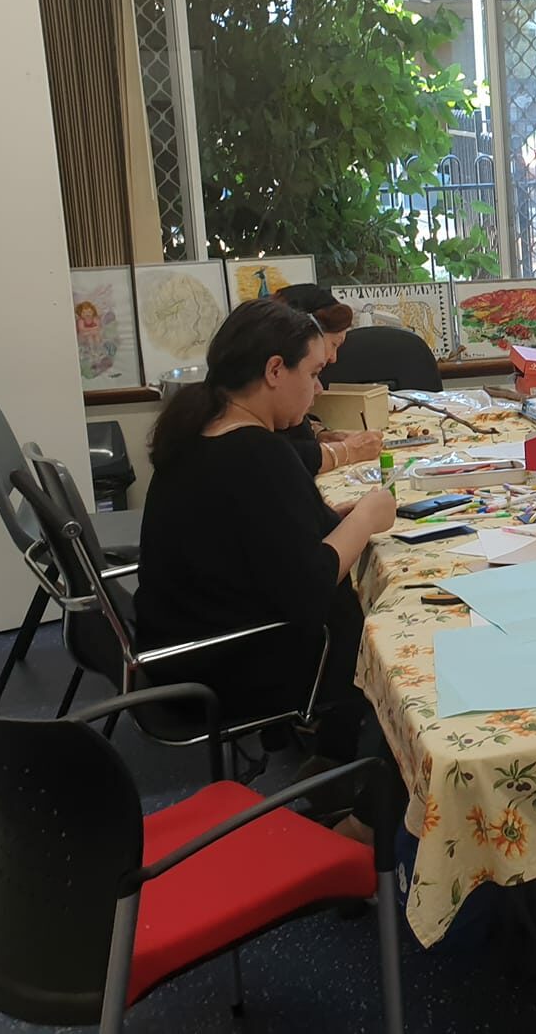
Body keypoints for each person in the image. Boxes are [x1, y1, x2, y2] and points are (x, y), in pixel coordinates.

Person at [133, 299, 400, 839]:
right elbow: (309, 583)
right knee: (400, 646)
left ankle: (334, 760)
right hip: (226, 662)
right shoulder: (256, 453)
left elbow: (275, 532)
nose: (320, 389)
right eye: (315, 373)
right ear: (275, 370)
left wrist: (341, 519)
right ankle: (364, 818)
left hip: (182, 642)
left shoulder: (203, 428)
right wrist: (367, 517)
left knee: (368, 605)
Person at [272, 284, 383, 475]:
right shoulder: (249, 442)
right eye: (333, 344)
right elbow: (279, 458)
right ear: (274, 370)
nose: (333, 358)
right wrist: (347, 451)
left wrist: (319, 435)